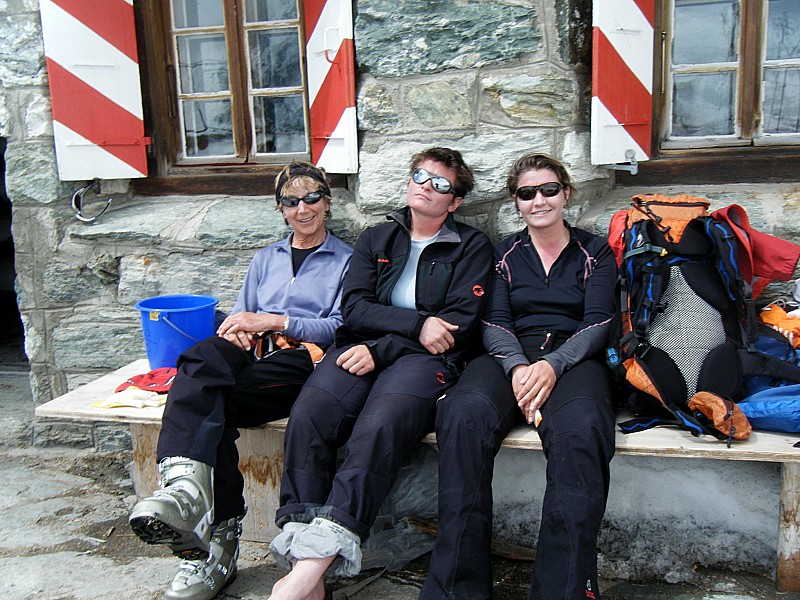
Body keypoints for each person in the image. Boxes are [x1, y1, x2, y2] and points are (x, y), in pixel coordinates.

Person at [267, 147, 494, 600]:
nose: (425, 186)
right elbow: (354, 306)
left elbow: (456, 327)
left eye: (441, 184)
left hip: (426, 362)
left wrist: (386, 345)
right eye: (420, 176)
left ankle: (310, 567)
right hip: (363, 348)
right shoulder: (377, 237)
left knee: (379, 425)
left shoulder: (472, 247)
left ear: (455, 203)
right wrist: (408, 328)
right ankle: (304, 566)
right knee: (310, 415)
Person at [128, 161, 353, 600]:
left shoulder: (346, 259)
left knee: (208, 408)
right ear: (280, 208)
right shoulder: (265, 257)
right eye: (291, 201)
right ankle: (185, 492)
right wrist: (237, 327)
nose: (302, 208)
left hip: (299, 357)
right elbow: (239, 314)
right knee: (199, 359)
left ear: (327, 202)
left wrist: (277, 319)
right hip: (251, 350)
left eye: (311, 198)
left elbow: (341, 326)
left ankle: (215, 539)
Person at [419, 153, 618, 600]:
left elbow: (598, 322)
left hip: (573, 358)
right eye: (527, 193)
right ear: (516, 201)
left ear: (566, 193)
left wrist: (552, 366)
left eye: (549, 189)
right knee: (463, 414)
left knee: (582, 431)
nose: (539, 200)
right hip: (512, 356)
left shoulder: (595, 251)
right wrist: (519, 369)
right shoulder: (504, 253)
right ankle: (456, 590)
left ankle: (564, 591)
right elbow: (494, 321)